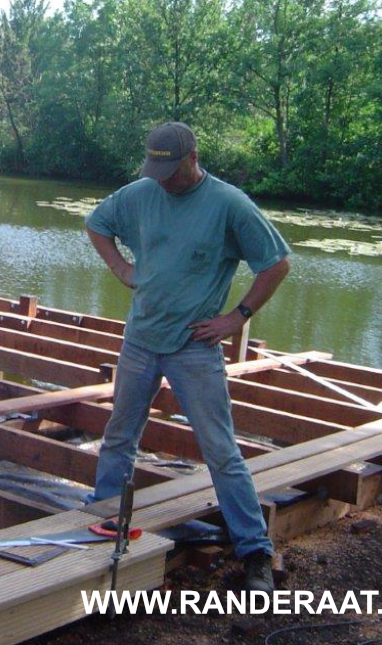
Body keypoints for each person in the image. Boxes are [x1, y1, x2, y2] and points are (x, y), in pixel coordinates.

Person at [84, 122, 291, 592]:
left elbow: (276, 264)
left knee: (221, 451)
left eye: (170, 171)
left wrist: (237, 316)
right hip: (140, 340)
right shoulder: (141, 192)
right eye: (154, 170)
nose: (162, 180)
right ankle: (104, 517)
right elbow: (96, 224)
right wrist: (120, 267)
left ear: (192, 159)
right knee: (119, 435)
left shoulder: (228, 205)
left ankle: (255, 552)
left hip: (193, 348)